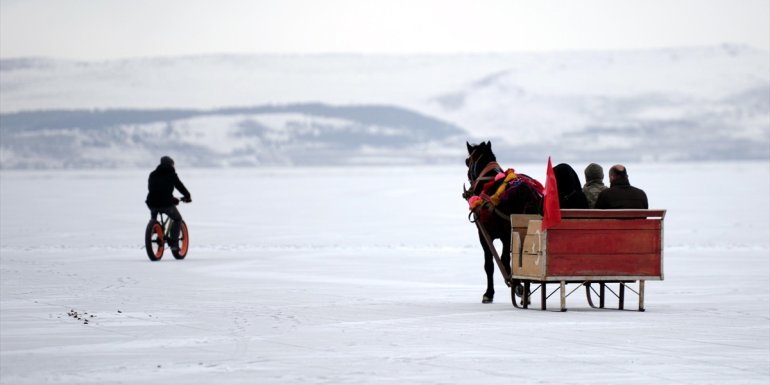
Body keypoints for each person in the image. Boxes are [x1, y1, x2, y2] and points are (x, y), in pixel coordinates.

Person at [145, 156, 192, 250]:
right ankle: (174, 243)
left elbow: (153, 189)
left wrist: (171, 198)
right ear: (171, 164)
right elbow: (180, 186)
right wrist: (187, 196)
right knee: (178, 219)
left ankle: (154, 230)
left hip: (151, 202)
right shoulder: (172, 174)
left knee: (154, 217)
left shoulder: (152, 174)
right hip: (166, 203)